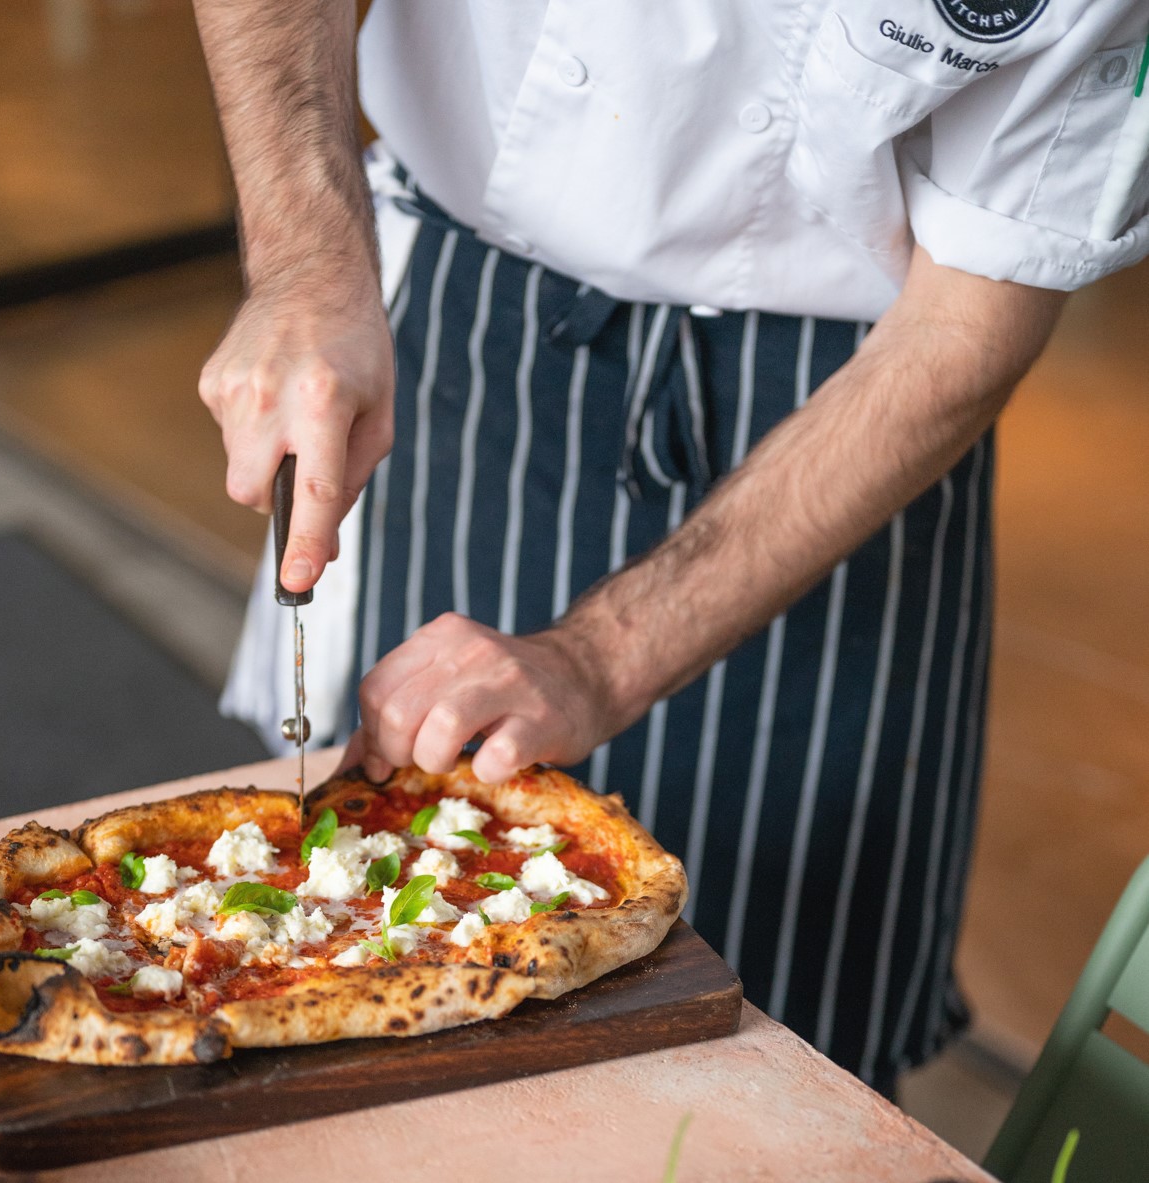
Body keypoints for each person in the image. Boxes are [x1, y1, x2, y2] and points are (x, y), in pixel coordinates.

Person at [192, 0, 1149, 1092]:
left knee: (783, 1061)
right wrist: (306, 255)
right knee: (384, 990)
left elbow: (962, 330)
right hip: (486, 319)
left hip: (850, 405)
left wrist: (598, 656)